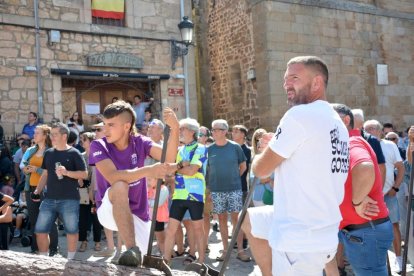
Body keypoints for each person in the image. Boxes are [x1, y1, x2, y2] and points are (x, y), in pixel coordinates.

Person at [241, 56, 349, 276]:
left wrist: (263, 152)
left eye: (294, 77)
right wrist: (278, 147)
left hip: (300, 238)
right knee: (249, 218)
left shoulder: (299, 115)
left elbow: (261, 170)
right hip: (323, 229)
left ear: (317, 82)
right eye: (285, 79)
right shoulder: (336, 122)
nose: (286, 84)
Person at [89, 100, 179, 267]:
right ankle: (131, 249)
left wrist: (175, 129)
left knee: (145, 266)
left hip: (138, 214)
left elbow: (169, 158)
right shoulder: (98, 145)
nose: (105, 130)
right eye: (104, 124)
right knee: (120, 185)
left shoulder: (140, 142)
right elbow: (113, 176)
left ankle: (135, 255)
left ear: (126, 126)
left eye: (111, 125)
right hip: (108, 209)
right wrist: (149, 171)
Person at [329, 103, 393, 275]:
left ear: (346, 120)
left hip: (365, 231)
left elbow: (364, 168)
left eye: (329, 119)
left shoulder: (351, 141)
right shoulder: (343, 144)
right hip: (362, 231)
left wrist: (357, 200)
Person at [32, 122, 88, 259]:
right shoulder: (49, 153)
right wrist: (37, 191)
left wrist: (67, 172)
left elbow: (84, 174)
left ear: (64, 136)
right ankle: (44, 260)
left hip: (69, 199)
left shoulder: (75, 153)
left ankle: (70, 261)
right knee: (40, 231)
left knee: (71, 231)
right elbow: (45, 174)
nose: (51, 137)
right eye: (51, 134)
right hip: (49, 198)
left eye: (54, 134)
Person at [163, 118, 208, 266]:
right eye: (180, 128)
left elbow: (191, 171)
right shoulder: (179, 150)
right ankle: (165, 261)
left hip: (195, 195)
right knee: (171, 229)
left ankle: (201, 262)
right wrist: (181, 165)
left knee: (198, 230)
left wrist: (177, 168)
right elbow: (170, 170)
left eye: (182, 129)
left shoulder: (201, 148)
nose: (180, 131)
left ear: (192, 132)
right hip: (178, 195)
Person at [364, 119, 405, 272]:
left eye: (373, 128)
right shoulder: (363, 146)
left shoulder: (390, 145)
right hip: (369, 196)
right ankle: (378, 260)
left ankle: (399, 259)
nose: (370, 131)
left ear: (381, 131)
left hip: (388, 193)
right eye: (367, 129)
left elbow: (400, 168)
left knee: (394, 225)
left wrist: (396, 187)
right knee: (370, 229)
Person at [207, 119, 250, 262]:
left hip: (234, 189)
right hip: (216, 190)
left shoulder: (235, 147)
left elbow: (243, 166)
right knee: (221, 220)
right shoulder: (209, 149)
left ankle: (240, 250)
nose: (213, 132)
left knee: (236, 220)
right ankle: (225, 250)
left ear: (224, 131)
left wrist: (234, 178)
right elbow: (207, 170)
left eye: (216, 129)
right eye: (212, 129)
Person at [20, 124, 59, 255]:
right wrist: (26, 170)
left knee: (50, 220)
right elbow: (24, 167)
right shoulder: (31, 150)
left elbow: (53, 172)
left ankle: (53, 249)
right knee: (34, 219)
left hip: (47, 189)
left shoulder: (52, 151)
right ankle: (35, 249)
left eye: (37, 133)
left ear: (44, 135)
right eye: (34, 132)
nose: (34, 135)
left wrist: (37, 169)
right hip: (30, 188)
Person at [78, 132, 102, 252]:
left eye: (84, 139)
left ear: (91, 141)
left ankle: (97, 242)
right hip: (82, 190)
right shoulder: (81, 156)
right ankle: (83, 242)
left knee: (95, 216)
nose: (82, 142)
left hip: (95, 189)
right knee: (83, 217)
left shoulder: (97, 155)